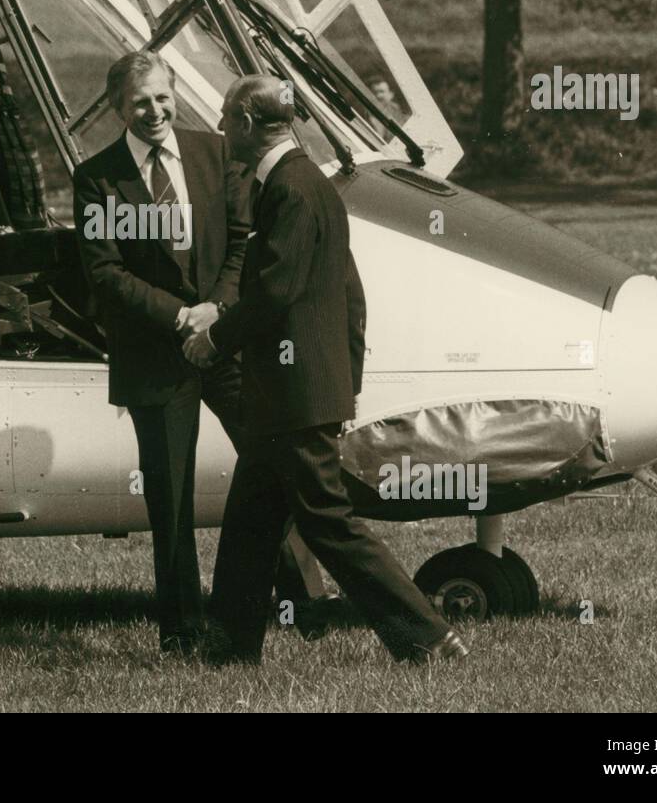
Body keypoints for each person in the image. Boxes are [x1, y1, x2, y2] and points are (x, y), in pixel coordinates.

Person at [184, 74, 468, 665]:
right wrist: (347, 387)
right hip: (294, 395)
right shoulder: (311, 185)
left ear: (242, 122)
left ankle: (428, 637)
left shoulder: (287, 190)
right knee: (250, 524)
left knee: (329, 524)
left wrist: (214, 338)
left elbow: (274, 292)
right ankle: (226, 651)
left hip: (292, 398)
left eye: (222, 117)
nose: (216, 128)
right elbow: (349, 295)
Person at [73, 51, 318, 654]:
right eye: (138, 103)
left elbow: (243, 243)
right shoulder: (97, 178)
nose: (153, 111)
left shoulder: (214, 154)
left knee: (275, 468)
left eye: (161, 97)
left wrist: (217, 310)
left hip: (227, 346)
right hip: (155, 359)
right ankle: (181, 630)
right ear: (116, 109)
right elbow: (104, 274)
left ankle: (298, 603)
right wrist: (180, 315)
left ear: (174, 91)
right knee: (171, 498)